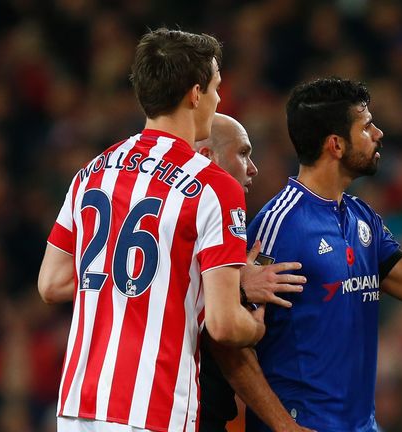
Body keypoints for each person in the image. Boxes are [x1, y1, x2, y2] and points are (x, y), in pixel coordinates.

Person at [240, 77, 402, 432]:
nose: (378, 134)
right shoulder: (278, 225)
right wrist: (284, 426)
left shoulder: (363, 217)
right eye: (366, 127)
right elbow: (233, 346)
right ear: (335, 144)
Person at [37, 28, 265, 432]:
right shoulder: (213, 185)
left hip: (77, 404)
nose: (218, 99)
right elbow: (226, 324)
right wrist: (256, 322)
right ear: (195, 93)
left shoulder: (92, 171)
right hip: (154, 407)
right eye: (215, 88)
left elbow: (52, 283)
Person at [193, 113, 310, 432]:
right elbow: (226, 337)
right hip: (180, 413)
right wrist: (237, 293)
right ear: (207, 158)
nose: (253, 167)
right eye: (243, 153)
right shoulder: (198, 225)